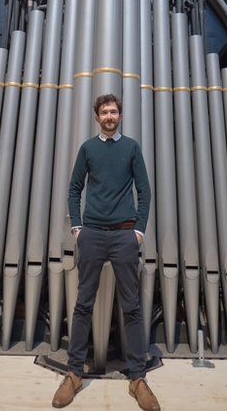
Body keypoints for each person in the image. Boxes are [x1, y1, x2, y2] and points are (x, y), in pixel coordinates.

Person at [52, 94, 159, 410]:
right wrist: (78, 228)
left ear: (120, 116)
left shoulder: (132, 148)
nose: (109, 116)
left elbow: (145, 191)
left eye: (113, 111)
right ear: (97, 117)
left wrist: (138, 230)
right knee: (83, 304)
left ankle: (138, 378)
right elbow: (74, 189)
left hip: (125, 235)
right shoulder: (88, 148)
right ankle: (74, 373)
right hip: (93, 235)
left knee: (132, 307)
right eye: (104, 112)